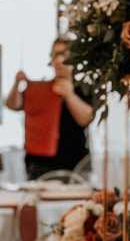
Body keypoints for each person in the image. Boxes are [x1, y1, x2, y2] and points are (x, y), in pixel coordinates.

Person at [5, 39, 93, 180]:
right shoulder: (40, 89)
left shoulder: (83, 89)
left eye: (63, 54)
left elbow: (86, 119)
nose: (58, 60)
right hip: (39, 165)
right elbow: (12, 105)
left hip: (74, 165)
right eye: (55, 55)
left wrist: (69, 95)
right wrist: (17, 83)